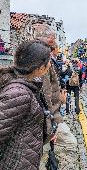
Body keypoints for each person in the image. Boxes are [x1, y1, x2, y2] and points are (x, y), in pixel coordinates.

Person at [0, 40, 52, 170]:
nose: (50, 64)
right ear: (40, 67)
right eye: (49, 61)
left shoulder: (27, 85)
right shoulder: (19, 94)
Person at [37, 31, 78, 170]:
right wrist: (50, 128)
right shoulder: (38, 65)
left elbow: (52, 89)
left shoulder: (49, 63)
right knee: (45, 154)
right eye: (51, 43)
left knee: (70, 144)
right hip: (46, 119)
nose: (54, 46)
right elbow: (43, 97)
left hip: (53, 116)